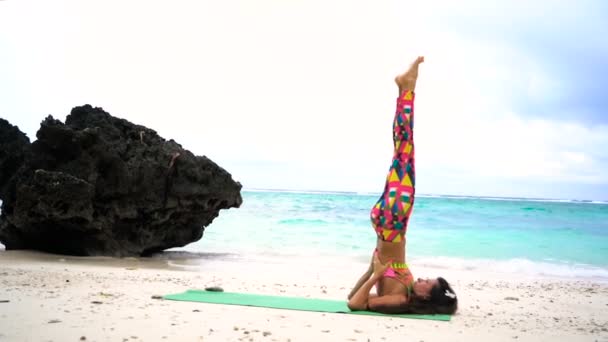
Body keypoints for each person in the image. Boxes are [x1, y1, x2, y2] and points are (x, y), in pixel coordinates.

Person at [347, 56, 458, 315]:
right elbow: (355, 296)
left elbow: (354, 303)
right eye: (426, 279)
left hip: (392, 224)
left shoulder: (401, 301)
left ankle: (407, 89)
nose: (421, 280)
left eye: (426, 284)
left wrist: (375, 274)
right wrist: (372, 269)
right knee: (402, 150)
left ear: (426, 298)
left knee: (405, 149)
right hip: (390, 226)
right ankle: (403, 89)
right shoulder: (406, 291)